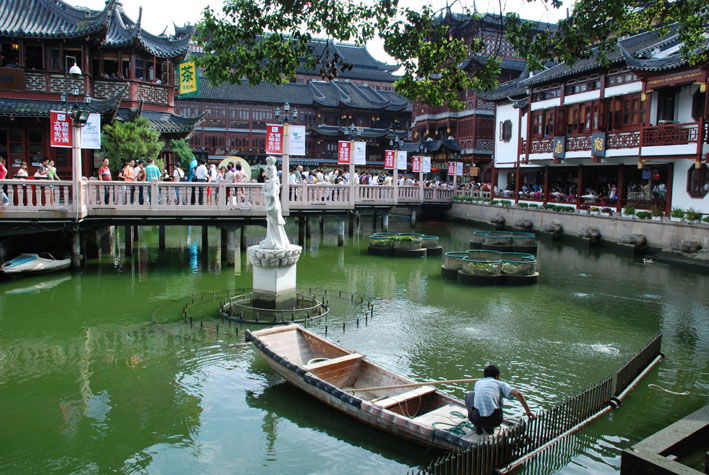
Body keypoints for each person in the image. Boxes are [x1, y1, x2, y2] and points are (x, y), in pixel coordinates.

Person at [465, 365, 535, 435]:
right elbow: (518, 393)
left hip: (476, 420)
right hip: (496, 421)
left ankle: (478, 427)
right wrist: (528, 411)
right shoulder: (500, 384)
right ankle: (489, 428)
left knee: (470, 395)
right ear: (497, 376)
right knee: (499, 397)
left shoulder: (478, 382)